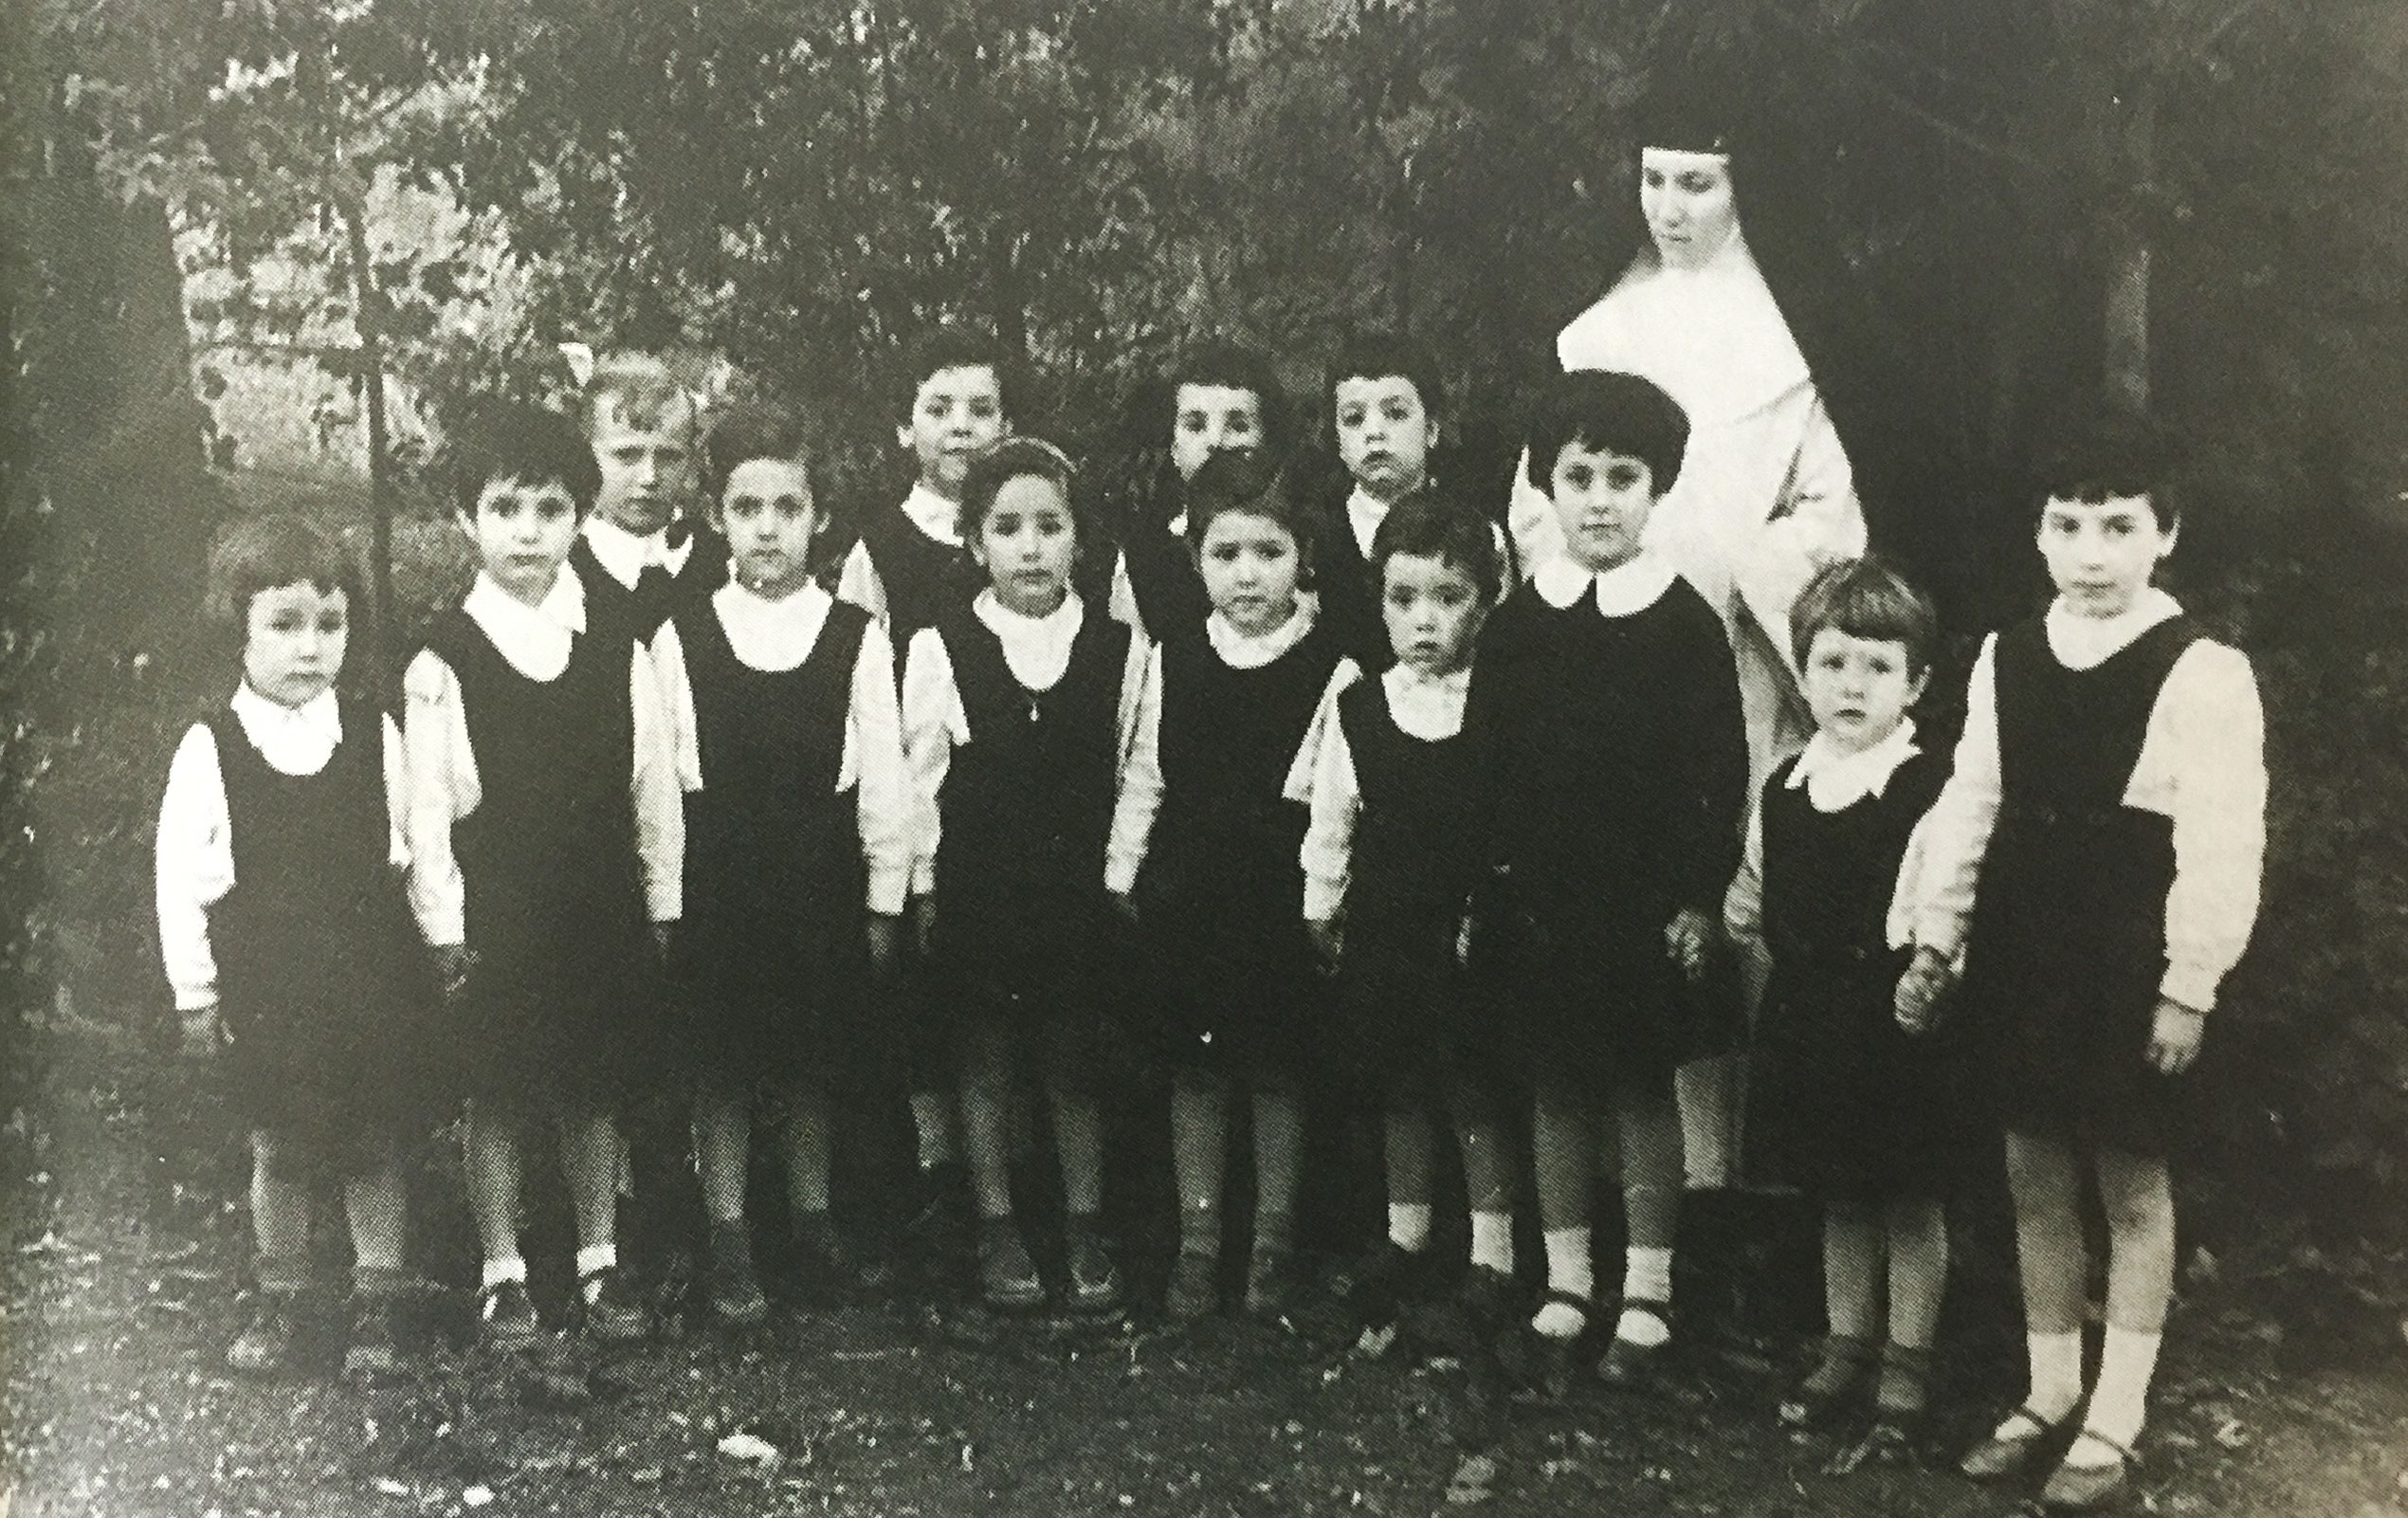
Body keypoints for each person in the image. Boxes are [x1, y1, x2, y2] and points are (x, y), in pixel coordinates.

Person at [1505, 96, 1870, 1191]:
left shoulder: (1790, 340)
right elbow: (1536, 498)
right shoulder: (1601, 327)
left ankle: (1724, 1185)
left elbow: (1833, 516)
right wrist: (1577, 575)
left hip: (1736, 658)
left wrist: (1737, 569)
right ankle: (1623, 1199)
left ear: (1743, 184)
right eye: (1653, 180)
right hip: (1594, 655)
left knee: (1727, 893)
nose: (1669, 207)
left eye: (1696, 182)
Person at [1904, 412, 2265, 1511]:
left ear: (2165, 533)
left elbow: (2221, 837)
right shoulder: (2006, 655)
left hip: (2124, 947)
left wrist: (2185, 983)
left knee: (2128, 1178)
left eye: (2118, 525)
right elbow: (1971, 800)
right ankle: (2048, 1384)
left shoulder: (2201, 670)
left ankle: (2117, 1407)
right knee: (2032, 1173)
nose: (2091, 551)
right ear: (2037, 532)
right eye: (2067, 524)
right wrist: (1937, 930)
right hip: (2023, 937)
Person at [1470, 370, 1747, 1393]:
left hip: (1638, 908)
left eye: (1620, 476)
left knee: (1638, 1089)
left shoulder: (1681, 626)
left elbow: (1715, 773)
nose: (1596, 497)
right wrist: (1493, 879)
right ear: (1542, 483)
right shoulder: (1516, 623)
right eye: (1576, 473)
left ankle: (1647, 1288)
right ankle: (1567, 1278)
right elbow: (1487, 761)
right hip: (1541, 903)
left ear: (1655, 486)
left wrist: (1691, 893)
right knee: (1553, 1087)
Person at [404, 400, 683, 1348]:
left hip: (597, 899)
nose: (529, 531)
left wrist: (663, 900)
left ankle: (599, 1259)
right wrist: (444, 927)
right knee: (501, 1091)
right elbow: (431, 811)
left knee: (590, 1085)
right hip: (502, 909)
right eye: (506, 507)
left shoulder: (617, 645)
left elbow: (653, 790)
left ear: (579, 515)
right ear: (465, 519)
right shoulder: (445, 657)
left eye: (552, 508)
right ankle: (502, 1270)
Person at [648, 398, 911, 1323]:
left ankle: (811, 1217)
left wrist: (885, 901)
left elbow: (882, 779)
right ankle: (727, 1231)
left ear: (817, 518)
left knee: (808, 1060)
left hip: (817, 888)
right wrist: (667, 902)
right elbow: (665, 781)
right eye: (747, 507)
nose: (767, 527)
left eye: (787, 508)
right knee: (721, 1068)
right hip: (722, 888)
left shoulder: (854, 635)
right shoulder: (682, 637)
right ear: (717, 516)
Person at [155, 515, 434, 1378]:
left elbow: (409, 849)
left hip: (364, 980)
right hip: (270, 983)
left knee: (371, 1141)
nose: (310, 647)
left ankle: (377, 1306)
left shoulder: (370, 734)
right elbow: (179, 878)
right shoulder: (214, 746)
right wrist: (196, 994)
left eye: (330, 623)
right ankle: (281, 1299)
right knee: (279, 1143)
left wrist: (437, 946)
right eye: (284, 624)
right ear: (235, 628)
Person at [902, 437, 1150, 1314]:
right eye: (1008, 528)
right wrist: (924, 884)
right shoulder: (942, 645)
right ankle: (997, 1221)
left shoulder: (1123, 649)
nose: (1032, 546)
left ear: (1081, 540)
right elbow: (919, 778)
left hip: (1076, 895)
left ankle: (1084, 1221)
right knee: (985, 1058)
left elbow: (1136, 769)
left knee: (1072, 1062)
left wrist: (1119, 878)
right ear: (976, 545)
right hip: (980, 892)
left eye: (1051, 525)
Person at [1724, 556, 1962, 1437]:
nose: (1852, 686)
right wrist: (1735, 913)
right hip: (1809, 1015)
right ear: (1803, 668)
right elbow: (1758, 878)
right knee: (1840, 1188)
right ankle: (1847, 1339)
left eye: (1877, 666)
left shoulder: (1925, 785)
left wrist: (1933, 973)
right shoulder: (1787, 783)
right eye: (1832, 663)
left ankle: (1909, 1359)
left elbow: (1950, 897)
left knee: (1905, 1191)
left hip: (1892, 1021)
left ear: (1918, 681)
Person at [1107, 452, 1344, 1320]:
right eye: (1225, 552)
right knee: (1198, 1071)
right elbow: (1146, 773)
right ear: (1197, 558)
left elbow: (1335, 799)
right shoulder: (1175, 654)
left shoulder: (1332, 664)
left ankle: (1272, 1243)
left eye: (1269, 551)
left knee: (1279, 1071)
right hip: (1191, 896)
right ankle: (1200, 1240)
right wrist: (1121, 871)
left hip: (1278, 898)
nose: (1247, 573)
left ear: (1303, 555)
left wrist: (1326, 900)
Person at [1295, 490, 1520, 1338]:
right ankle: (1406, 1236)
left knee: (1473, 1089)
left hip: (1470, 929)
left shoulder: (1498, 707)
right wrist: (1322, 906)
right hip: (1387, 924)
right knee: (1399, 1085)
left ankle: (1493, 1254)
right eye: (1403, 599)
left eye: (1449, 598)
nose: (1424, 620)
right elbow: (1331, 817)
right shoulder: (1358, 706)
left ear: (1487, 601)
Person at [835, 328, 1017, 1270]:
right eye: (939, 410)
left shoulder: (1026, 529)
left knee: (989, 988)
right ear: (905, 427)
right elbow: (850, 667)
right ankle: (933, 1170)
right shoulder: (878, 543)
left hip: (998, 794)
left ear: (1006, 423)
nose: (959, 428)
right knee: (911, 990)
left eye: (979, 410)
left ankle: (998, 1179)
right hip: (906, 786)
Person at [1107, 339, 1287, 648]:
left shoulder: (1295, 540)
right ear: (1174, 448)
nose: (1215, 441)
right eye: (1196, 425)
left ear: (1267, 442)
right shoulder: (1144, 559)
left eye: (1238, 425)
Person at [1314, 332, 1452, 668]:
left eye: (1395, 413)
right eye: (1354, 419)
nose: (1374, 431)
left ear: (1432, 430)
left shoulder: (1470, 528)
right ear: (1338, 440)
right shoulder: (1318, 535)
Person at [571, 352, 727, 642]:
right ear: (587, 455)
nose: (649, 477)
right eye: (626, 455)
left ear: (690, 460)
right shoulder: (560, 569)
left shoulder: (721, 562)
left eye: (669, 456)